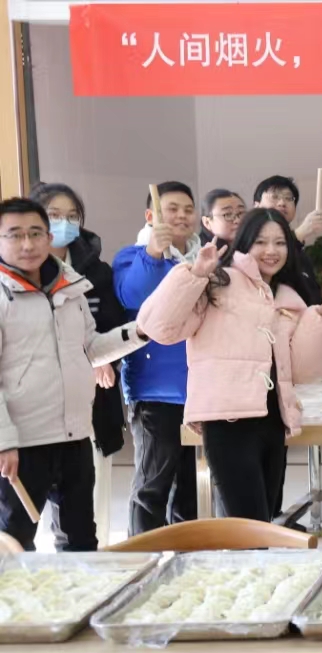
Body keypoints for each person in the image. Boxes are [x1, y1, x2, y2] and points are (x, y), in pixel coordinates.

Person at [137, 209, 322, 522]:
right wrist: (194, 275)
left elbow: (302, 372)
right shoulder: (217, 280)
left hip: (273, 419)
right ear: (244, 243)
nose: (271, 250)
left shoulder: (287, 296)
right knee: (249, 527)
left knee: (262, 522)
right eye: (260, 242)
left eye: (280, 243)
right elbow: (158, 327)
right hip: (228, 421)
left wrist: (320, 320)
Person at [0, 198, 147, 549]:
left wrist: (139, 332)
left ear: (48, 237)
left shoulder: (70, 286)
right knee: (14, 543)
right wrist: (4, 442)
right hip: (22, 444)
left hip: (74, 436)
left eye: (36, 233)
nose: (27, 244)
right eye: (15, 235)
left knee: (81, 540)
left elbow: (90, 348)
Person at [29, 183, 129, 541]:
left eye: (73, 216)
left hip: (91, 399)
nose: (65, 223)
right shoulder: (16, 276)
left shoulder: (95, 271)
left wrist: (103, 360)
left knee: (88, 502)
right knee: (27, 510)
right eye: (55, 215)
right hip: (35, 406)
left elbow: (110, 328)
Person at [114, 181, 201, 536]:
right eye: (172, 209)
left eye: (188, 209)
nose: (182, 216)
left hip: (199, 391)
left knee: (192, 487)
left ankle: (186, 552)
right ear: (151, 216)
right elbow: (133, 296)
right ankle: (142, 554)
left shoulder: (203, 258)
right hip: (155, 392)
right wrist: (153, 252)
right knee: (153, 485)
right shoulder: (131, 256)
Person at [253, 175, 322, 306]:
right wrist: (298, 235)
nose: (282, 203)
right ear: (256, 206)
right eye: (274, 197)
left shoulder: (300, 252)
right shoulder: (250, 243)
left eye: (288, 198)